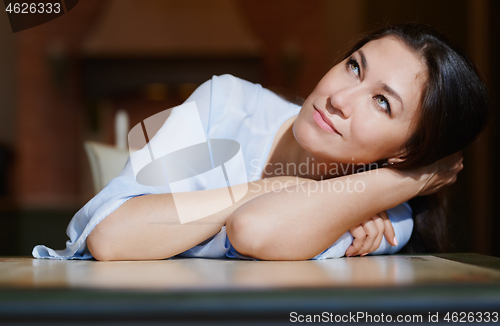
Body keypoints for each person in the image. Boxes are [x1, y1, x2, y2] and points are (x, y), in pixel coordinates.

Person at [32, 23, 489, 261]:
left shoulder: (387, 207)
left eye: (382, 103)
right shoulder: (226, 103)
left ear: (404, 154)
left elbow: (254, 230)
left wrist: (408, 181)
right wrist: (266, 188)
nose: (339, 99)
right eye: (354, 65)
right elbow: (111, 237)